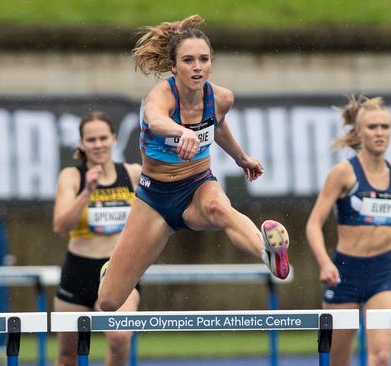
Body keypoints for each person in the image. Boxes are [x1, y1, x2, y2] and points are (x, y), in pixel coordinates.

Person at [97, 15, 290, 312]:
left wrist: (242, 158)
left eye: (204, 59)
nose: (197, 66)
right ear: (174, 67)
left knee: (220, 208)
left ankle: (270, 255)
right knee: (109, 302)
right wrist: (181, 131)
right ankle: (112, 270)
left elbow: (219, 126)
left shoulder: (221, 98)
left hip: (198, 185)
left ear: (211, 63)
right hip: (154, 199)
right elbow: (156, 120)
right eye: (188, 60)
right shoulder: (162, 95)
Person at [305, 96, 391, 366]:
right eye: (372, 127)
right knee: (337, 360)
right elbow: (313, 224)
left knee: (382, 357)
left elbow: (387, 211)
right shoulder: (343, 173)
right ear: (359, 132)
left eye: (385, 126)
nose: (379, 132)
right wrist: (324, 263)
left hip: (384, 272)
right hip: (344, 273)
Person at [52, 112, 142, 366]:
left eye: (103, 137)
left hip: (118, 269)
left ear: (114, 139)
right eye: (91, 140)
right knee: (68, 354)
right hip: (79, 270)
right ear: (81, 144)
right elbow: (60, 226)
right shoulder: (72, 176)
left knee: (119, 337)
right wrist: (87, 193)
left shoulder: (132, 174)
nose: (98, 144)